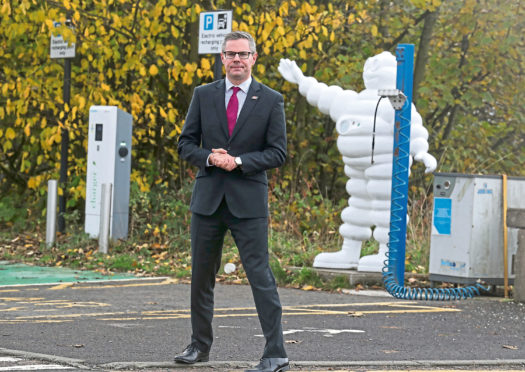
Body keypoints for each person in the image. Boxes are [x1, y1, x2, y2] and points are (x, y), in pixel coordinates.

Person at [175, 31, 289, 372]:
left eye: (243, 54)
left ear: (254, 57)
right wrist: (210, 158)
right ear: (221, 58)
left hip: (248, 202)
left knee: (260, 276)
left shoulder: (270, 100)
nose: (236, 59)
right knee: (200, 278)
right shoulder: (203, 95)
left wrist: (237, 161)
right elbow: (185, 145)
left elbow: (278, 152)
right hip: (208, 201)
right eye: (230, 54)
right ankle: (199, 346)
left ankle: (276, 353)